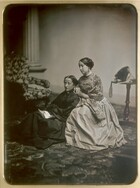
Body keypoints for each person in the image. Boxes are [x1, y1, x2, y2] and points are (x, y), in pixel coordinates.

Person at [65, 57, 127, 151]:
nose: (80, 68)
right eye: (79, 66)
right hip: (85, 102)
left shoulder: (96, 78)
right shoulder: (81, 79)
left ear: (89, 66)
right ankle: (79, 137)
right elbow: (78, 89)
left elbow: (98, 96)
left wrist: (82, 94)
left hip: (97, 103)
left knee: (83, 114)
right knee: (74, 113)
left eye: (82, 66)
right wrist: (76, 90)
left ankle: (91, 138)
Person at [18, 75, 79, 149]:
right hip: (54, 115)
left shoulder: (75, 97)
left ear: (74, 85)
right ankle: (23, 133)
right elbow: (53, 104)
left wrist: (54, 111)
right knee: (35, 114)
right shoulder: (63, 94)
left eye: (68, 83)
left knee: (42, 121)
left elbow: (67, 112)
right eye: (65, 83)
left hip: (62, 121)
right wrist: (48, 111)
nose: (66, 85)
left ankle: (27, 134)